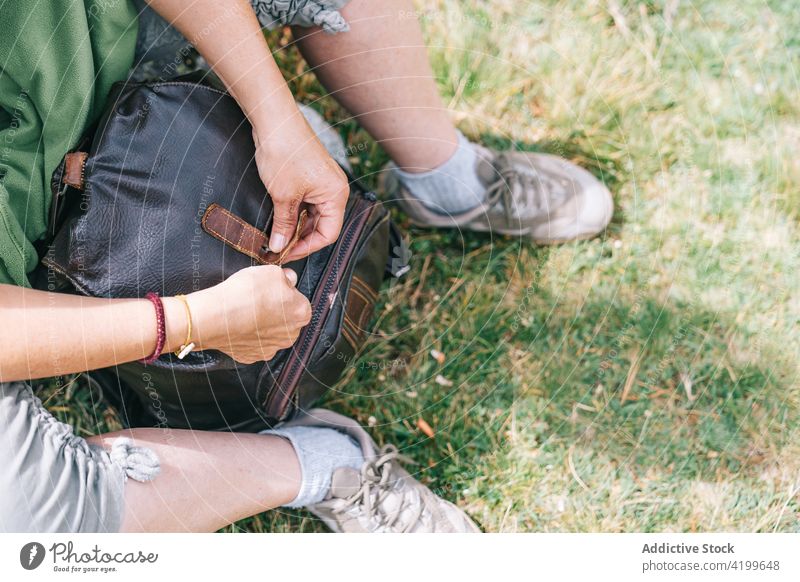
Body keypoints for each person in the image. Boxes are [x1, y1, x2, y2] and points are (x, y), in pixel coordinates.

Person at [0, 0, 611, 533]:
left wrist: (275, 120)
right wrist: (185, 322)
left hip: (89, 50)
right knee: (27, 527)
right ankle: (326, 464)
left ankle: (444, 178)